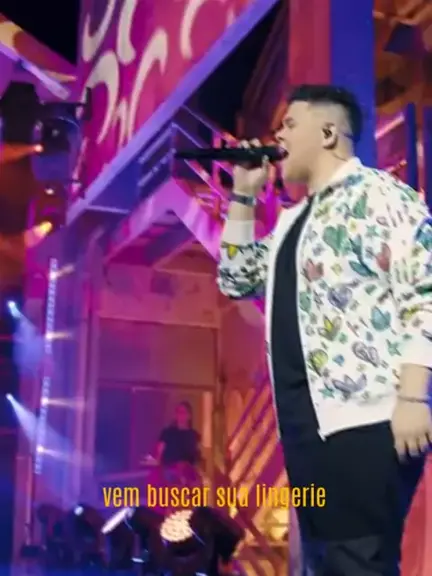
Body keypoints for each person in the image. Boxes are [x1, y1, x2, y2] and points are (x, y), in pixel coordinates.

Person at [216, 84, 432, 575]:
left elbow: (426, 288)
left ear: (329, 133)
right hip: (308, 429)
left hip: (368, 421)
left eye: (290, 125)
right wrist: (244, 196)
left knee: (358, 560)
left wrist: (413, 395)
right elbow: (235, 278)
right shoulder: (294, 222)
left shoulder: (380, 196)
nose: (278, 136)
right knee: (330, 562)